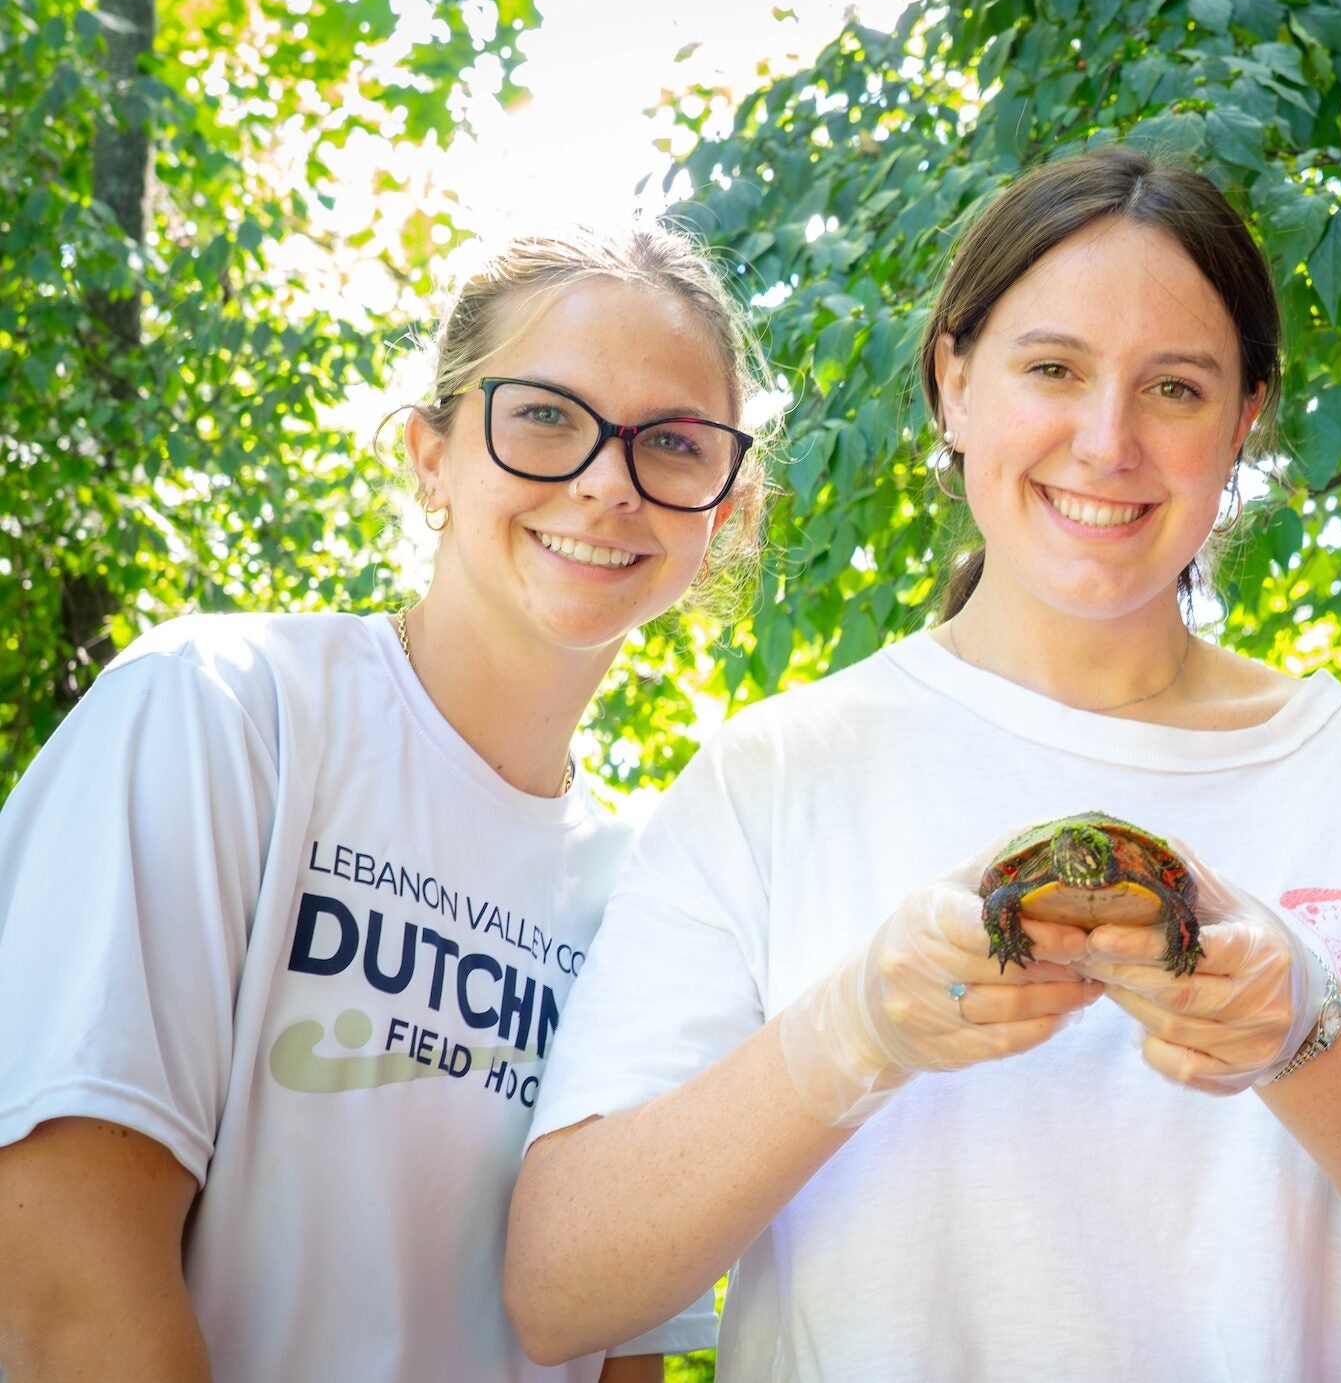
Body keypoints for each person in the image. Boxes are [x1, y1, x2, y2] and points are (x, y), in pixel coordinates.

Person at [504, 146, 1341, 1381]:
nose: (1106, 438)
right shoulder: (777, 771)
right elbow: (561, 1287)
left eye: (1175, 388)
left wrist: (1309, 1033)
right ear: (953, 381)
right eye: (1052, 368)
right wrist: (853, 1026)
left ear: (1244, 421)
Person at [0, 220, 767, 1381]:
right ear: (430, 454)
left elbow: (621, 1351)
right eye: (546, 415)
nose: (609, 480)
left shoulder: (656, 891)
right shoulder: (222, 712)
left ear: (722, 507)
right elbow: (62, 1264)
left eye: (671, 440)